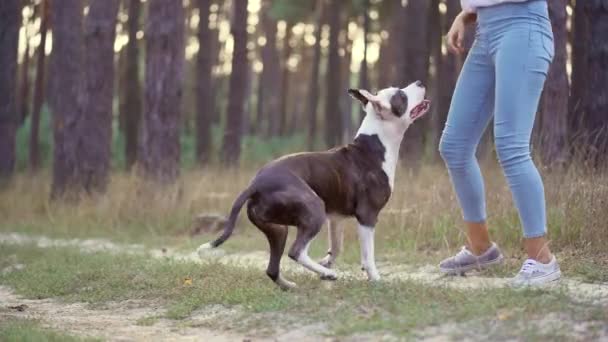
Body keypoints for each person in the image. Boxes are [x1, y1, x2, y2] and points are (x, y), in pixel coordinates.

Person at [438, 0, 561, 286]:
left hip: (523, 27)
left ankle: (542, 259)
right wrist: (465, 14)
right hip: (484, 31)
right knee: (454, 146)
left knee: (511, 146)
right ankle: (481, 249)